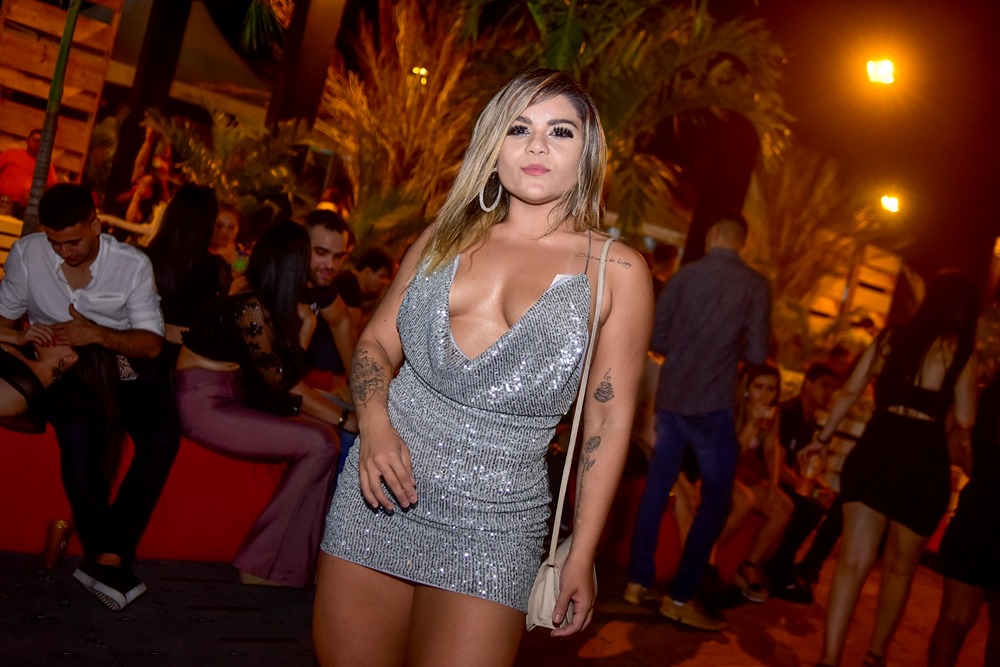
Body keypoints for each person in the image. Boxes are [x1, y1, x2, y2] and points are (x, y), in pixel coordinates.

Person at [313, 69, 653, 666]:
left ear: (587, 153)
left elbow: (608, 421)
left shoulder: (617, 271)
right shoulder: (442, 239)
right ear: (493, 146)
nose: (537, 145)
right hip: (378, 493)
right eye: (518, 128)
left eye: (560, 131)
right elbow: (374, 346)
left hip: (496, 526)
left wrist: (582, 551)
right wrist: (375, 424)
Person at [0, 183, 180, 612]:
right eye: (55, 242)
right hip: (64, 367)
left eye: (74, 241)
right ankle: (106, 557)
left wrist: (97, 333)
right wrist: (22, 336)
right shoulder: (28, 253)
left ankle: (109, 555)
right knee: (78, 432)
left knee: (162, 436)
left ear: (96, 224)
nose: (64, 251)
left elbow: (152, 343)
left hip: (126, 366)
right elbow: (3, 322)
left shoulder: (131, 264)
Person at [814, 271, 978, 667]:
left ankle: (829, 658)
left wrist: (822, 438)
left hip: (877, 449)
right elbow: (966, 417)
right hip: (922, 461)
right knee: (899, 570)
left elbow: (850, 390)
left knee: (852, 562)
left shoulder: (890, 338)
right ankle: (875, 656)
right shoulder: (959, 349)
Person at [174, 221, 351, 587]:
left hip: (230, 397)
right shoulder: (249, 303)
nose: (320, 267)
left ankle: (294, 561)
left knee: (323, 438)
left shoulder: (261, 299)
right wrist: (345, 417)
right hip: (204, 404)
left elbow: (280, 379)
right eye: (311, 257)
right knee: (321, 443)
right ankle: (262, 564)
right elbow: (284, 382)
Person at [625, 210, 771, 631]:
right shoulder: (755, 285)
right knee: (717, 500)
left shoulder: (683, 277)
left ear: (714, 235)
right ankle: (680, 596)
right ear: (741, 240)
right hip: (712, 406)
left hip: (672, 400)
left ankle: (637, 582)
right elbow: (758, 354)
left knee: (657, 490)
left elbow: (657, 339)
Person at [928, 374, 1000, 667]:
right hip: (980, 512)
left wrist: (983, 470)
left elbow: (953, 446)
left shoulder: (984, 394)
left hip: (978, 510)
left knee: (955, 618)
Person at [766, 362, 842, 603]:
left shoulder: (808, 422)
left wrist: (821, 487)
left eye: (834, 389)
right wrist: (809, 490)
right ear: (808, 384)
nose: (829, 393)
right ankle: (779, 567)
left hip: (791, 480)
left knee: (837, 507)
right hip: (771, 477)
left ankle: (809, 568)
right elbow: (777, 463)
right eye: (825, 386)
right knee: (809, 507)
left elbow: (801, 465)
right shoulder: (787, 413)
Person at [724, 363, 793, 604]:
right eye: (758, 387)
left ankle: (749, 564)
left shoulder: (772, 413)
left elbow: (772, 449)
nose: (764, 395)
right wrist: (751, 424)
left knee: (783, 506)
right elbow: (730, 455)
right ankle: (703, 557)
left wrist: (773, 486)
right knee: (744, 500)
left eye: (771, 389)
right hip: (719, 471)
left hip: (740, 476)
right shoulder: (732, 408)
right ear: (746, 388)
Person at [144, 184, 232, 368]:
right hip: (187, 364)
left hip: (139, 357)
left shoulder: (143, 259)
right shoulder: (215, 269)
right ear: (207, 224)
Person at [0, 330, 78, 432]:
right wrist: (15, 337)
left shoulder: (23, 390)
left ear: (69, 357)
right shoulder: (24, 347)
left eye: (61, 332)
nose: (51, 328)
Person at [332, 247, 396, 335]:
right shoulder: (349, 284)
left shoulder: (351, 282)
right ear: (367, 271)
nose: (384, 282)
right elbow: (354, 329)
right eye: (382, 276)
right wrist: (381, 302)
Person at [0, 129, 59, 214]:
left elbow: (52, 189)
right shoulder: (11, 153)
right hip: (2, 200)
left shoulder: (46, 165)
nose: (38, 144)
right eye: (35, 140)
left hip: (24, 207)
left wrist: (36, 194)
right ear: (27, 141)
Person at [209, 204, 250, 277]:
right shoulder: (200, 247)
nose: (224, 231)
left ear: (238, 230)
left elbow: (237, 279)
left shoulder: (241, 254)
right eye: (219, 225)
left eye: (231, 227)